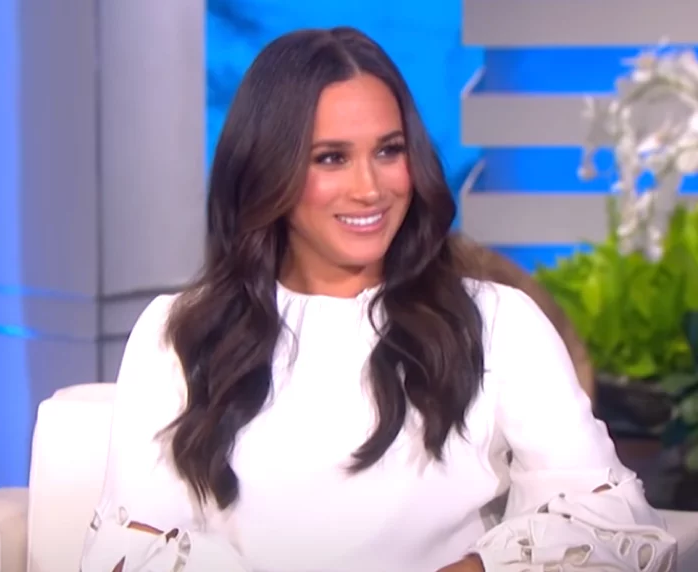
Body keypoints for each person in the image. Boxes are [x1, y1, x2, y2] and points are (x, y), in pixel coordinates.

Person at [80, 27, 676, 572]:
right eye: (331, 158)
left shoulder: (497, 322)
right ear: (267, 170)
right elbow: (133, 550)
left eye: (389, 151)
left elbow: (611, 522)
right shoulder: (178, 335)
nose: (370, 188)